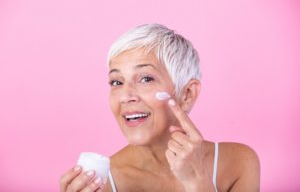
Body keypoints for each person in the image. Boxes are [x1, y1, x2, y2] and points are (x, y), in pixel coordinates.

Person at [60, 24, 260, 192]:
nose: (126, 96)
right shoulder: (103, 183)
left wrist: (197, 182)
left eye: (146, 78)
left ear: (187, 94)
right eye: (116, 82)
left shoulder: (238, 163)